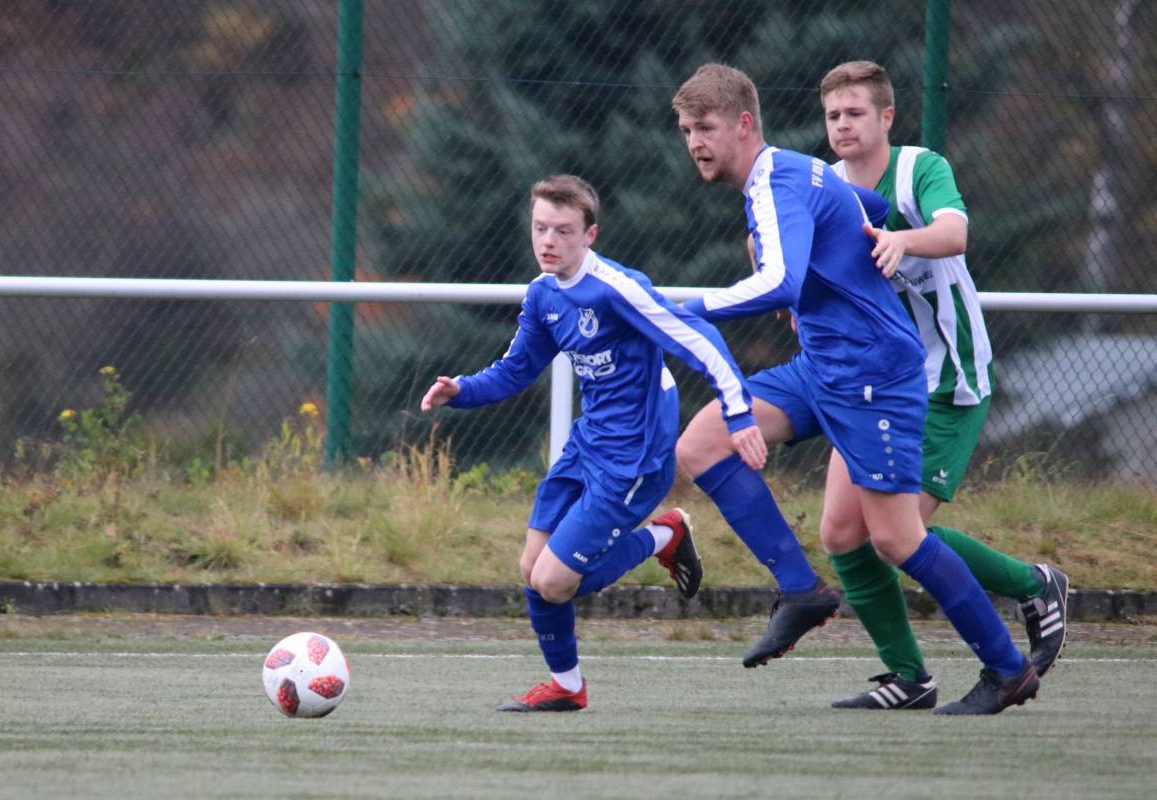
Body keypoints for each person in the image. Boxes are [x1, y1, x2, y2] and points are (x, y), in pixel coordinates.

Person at [670, 63, 1038, 714]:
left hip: (873, 373)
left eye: (704, 127)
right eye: (685, 130)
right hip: (823, 366)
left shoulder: (774, 184)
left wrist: (682, 309)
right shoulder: (800, 172)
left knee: (895, 539)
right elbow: (863, 211)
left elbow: (779, 284)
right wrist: (848, 245)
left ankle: (1007, 668)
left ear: (744, 125)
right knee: (703, 443)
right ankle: (800, 589)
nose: (693, 141)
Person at [420, 174, 766, 712]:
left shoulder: (617, 289)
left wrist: (738, 410)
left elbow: (697, 340)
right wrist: (460, 390)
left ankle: (662, 536)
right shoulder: (543, 294)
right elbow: (516, 370)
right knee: (531, 570)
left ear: (590, 235)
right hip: (588, 444)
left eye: (562, 230)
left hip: (633, 462)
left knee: (555, 581)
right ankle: (567, 686)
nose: (548, 241)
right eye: (540, 228)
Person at [818, 60, 1068, 710]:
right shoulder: (830, 188)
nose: (843, 125)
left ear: (886, 118)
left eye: (855, 113)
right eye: (833, 115)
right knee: (843, 532)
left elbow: (956, 231)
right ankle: (909, 677)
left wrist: (903, 239)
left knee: (896, 535)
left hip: (944, 380)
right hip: (874, 387)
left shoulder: (917, 168)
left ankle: (1032, 584)